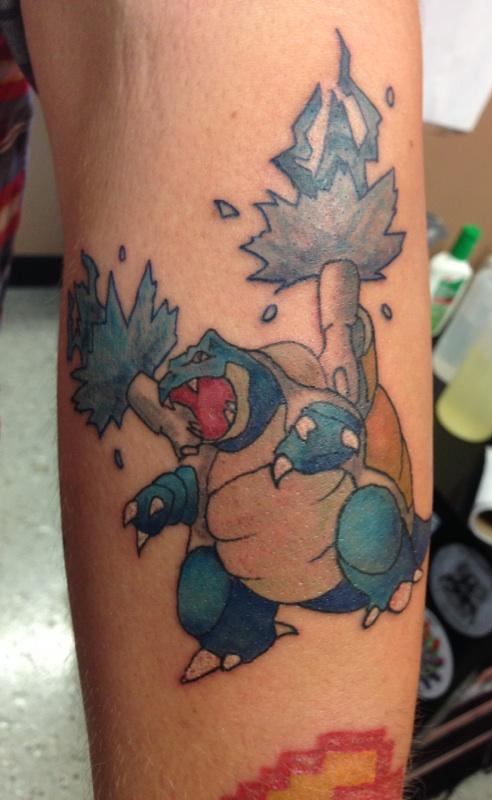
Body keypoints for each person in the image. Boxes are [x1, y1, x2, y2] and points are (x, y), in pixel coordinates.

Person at [15, 2, 432, 796]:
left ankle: (387, 573)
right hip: (259, 574)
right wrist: (165, 499)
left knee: (365, 522)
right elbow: (191, 479)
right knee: (205, 587)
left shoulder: (298, 400)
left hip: (334, 562)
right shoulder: (213, 441)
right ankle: (239, 636)